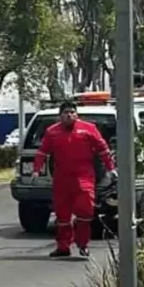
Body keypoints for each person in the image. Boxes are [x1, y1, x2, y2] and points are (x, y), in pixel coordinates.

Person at [32, 100, 115, 258]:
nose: (69, 115)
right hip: (62, 181)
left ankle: (83, 244)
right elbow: (42, 152)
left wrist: (110, 168)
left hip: (84, 179)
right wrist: (36, 170)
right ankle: (63, 246)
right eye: (65, 113)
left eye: (72, 112)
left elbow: (103, 148)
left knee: (85, 213)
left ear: (77, 114)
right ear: (60, 116)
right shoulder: (52, 132)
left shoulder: (89, 129)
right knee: (62, 216)